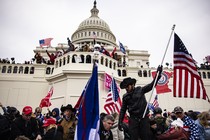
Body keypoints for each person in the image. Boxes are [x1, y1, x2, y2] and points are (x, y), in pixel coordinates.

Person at [118, 65, 162, 140]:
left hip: (143, 118)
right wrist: (120, 121)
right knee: (133, 137)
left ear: (132, 85)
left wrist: (158, 75)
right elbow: (123, 110)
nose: (126, 88)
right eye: (125, 87)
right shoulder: (125, 96)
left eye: (127, 86)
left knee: (145, 137)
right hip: (133, 119)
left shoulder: (140, 90)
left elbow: (151, 85)